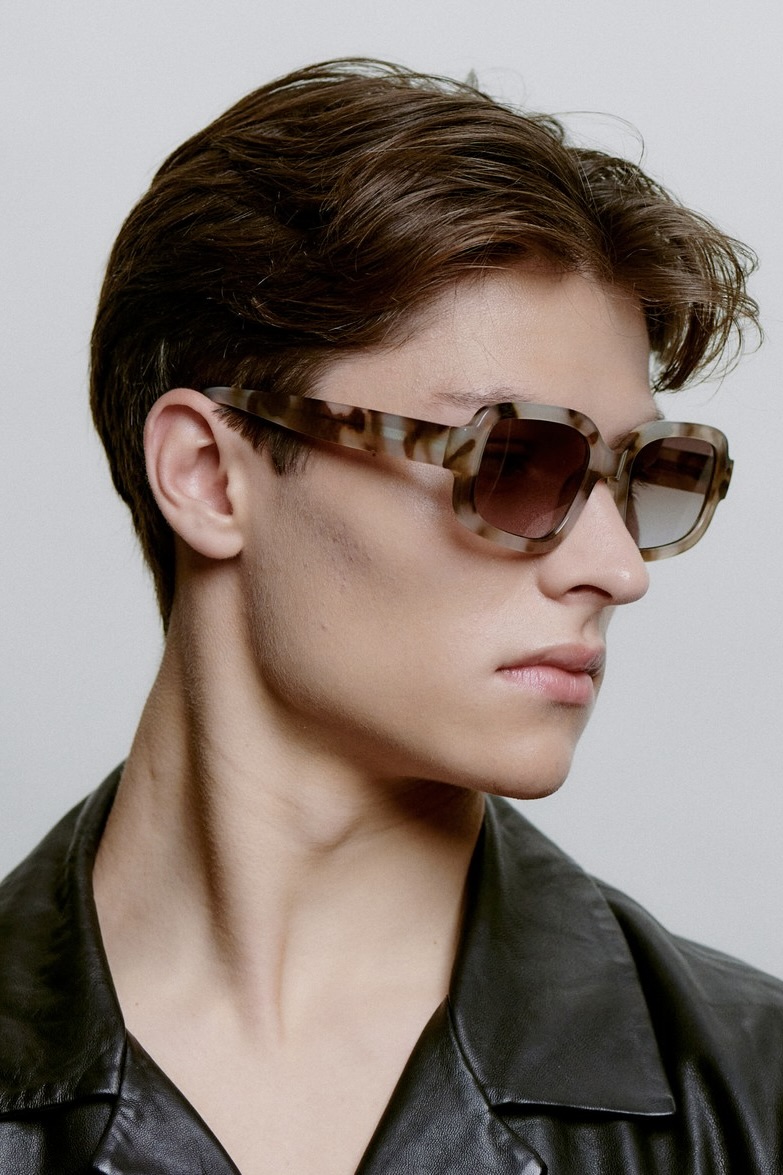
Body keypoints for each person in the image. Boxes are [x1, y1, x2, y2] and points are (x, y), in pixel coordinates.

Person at [0, 57, 780, 1175]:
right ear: (209, 476)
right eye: (514, 460)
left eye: (648, 476)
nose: (616, 568)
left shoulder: (753, 1099)